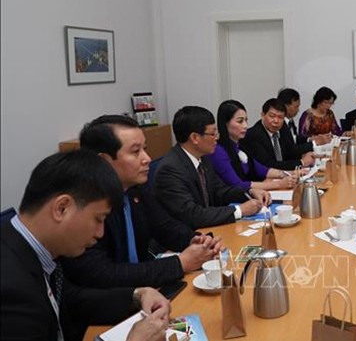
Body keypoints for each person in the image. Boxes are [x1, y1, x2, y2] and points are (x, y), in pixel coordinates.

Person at [1, 150, 170, 341]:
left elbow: (71, 300)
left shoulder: (33, 249)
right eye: (98, 219)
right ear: (62, 208)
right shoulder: (11, 288)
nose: (100, 233)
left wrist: (138, 295)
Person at [62, 115, 221, 289]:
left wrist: (196, 241)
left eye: (144, 149)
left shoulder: (135, 190)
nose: (147, 159)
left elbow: (165, 226)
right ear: (104, 161)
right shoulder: (85, 207)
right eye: (135, 152)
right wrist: (180, 263)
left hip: (146, 292)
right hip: (114, 305)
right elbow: (102, 273)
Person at [153, 106, 270, 230]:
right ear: (195, 138)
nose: (217, 138)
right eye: (213, 134)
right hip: (186, 239)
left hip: (208, 229)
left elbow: (219, 191)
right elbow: (193, 215)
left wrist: (249, 193)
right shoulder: (170, 170)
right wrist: (239, 210)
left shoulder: (203, 158)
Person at [209, 100, 298, 190]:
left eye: (246, 120)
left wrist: (291, 173)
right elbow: (237, 185)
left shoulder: (239, 145)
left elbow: (261, 169)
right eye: (240, 121)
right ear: (225, 123)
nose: (245, 126)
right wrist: (279, 184)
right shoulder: (218, 151)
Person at [243, 98, 317, 170]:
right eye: (272, 116)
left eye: (280, 117)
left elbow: (290, 151)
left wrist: (305, 155)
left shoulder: (282, 128)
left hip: (285, 177)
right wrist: (302, 162)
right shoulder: (253, 135)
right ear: (262, 115)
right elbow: (269, 165)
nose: (276, 121)